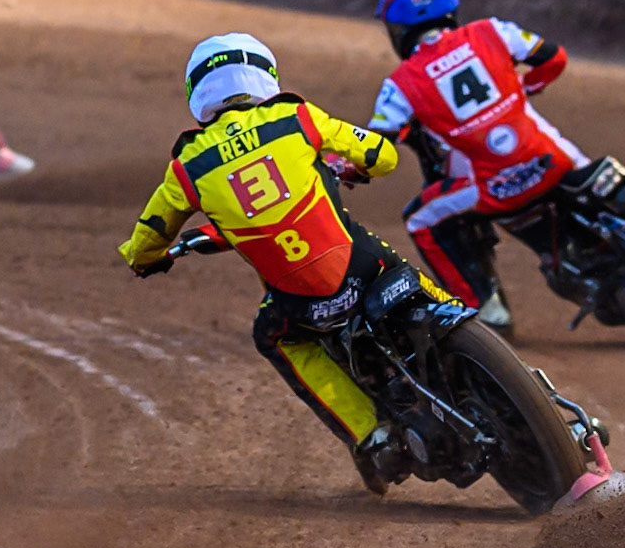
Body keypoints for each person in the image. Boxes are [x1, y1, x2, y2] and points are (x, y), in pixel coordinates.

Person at [118, 33, 453, 496]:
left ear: (198, 92)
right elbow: (384, 156)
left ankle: (370, 434)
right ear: (265, 74)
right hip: (360, 265)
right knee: (412, 280)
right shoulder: (297, 117)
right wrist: (354, 167)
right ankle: (464, 325)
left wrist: (143, 259)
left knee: (271, 336)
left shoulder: (187, 167)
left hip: (300, 303)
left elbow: (147, 238)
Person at [366, 0, 590, 337]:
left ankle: (484, 312)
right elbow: (554, 59)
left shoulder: (401, 84)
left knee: (420, 219)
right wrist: (525, 89)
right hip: (559, 161)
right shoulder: (492, 31)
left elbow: (375, 144)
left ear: (398, 30)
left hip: (493, 188)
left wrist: (342, 166)